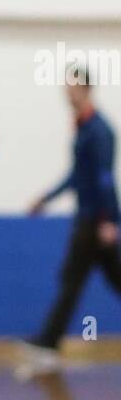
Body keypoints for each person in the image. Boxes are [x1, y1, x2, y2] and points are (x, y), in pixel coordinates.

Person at [20, 66, 121, 374]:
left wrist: (110, 220)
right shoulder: (83, 127)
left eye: (73, 87)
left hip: (94, 221)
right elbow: (77, 176)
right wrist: (46, 197)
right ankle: (48, 342)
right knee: (88, 279)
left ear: (87, 89)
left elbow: (104, 179)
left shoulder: (99, 130)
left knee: (73, 281)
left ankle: (48, 343)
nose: (68, 92)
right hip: (88, 219)